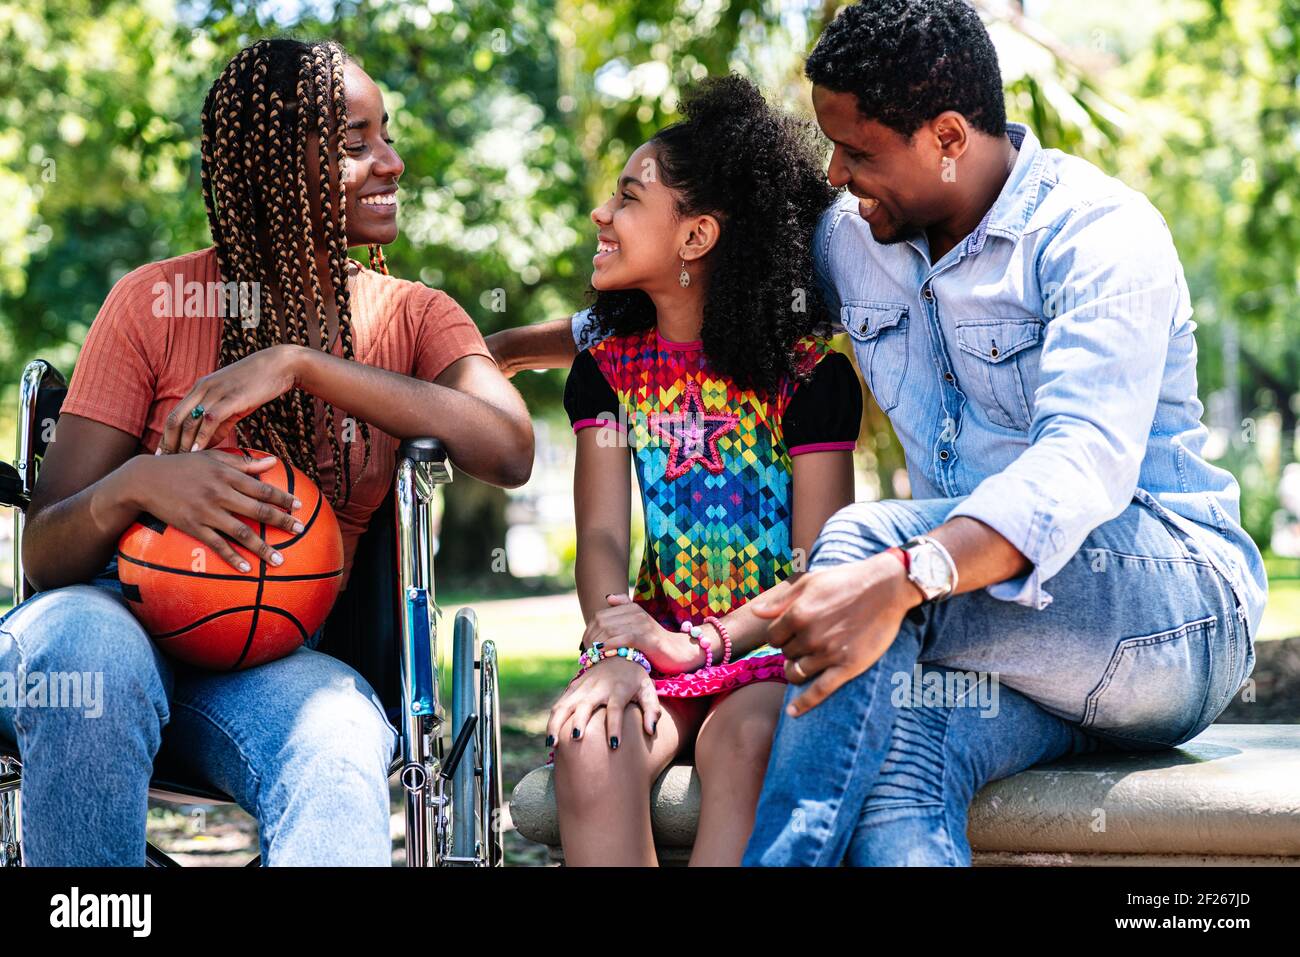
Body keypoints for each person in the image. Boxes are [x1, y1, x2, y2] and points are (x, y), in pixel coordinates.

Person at [489, 0, 1266, 866]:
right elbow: (701, 298)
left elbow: (1078, 465)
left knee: (858, 541)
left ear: (945, 137)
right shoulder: (860, 241)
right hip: (1004, 646)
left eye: (858, 151)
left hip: (1166, 624)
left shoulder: (1098, 236)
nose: (834, 172)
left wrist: (909, 571)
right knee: (894, 769)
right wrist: (510, 351)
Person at [0, 37, 533, 866]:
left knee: (338, 736)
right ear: (278, 169)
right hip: (113, 621)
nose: (391, 162)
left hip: (271, 660)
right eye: (356, 145)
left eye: (385, 134)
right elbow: (45, 554)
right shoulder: (153, 303)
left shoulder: (414, 316)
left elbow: (508, 446)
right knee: (91, 661)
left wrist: (302, 366)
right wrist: (141, 485)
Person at [543, 75, 861, 866]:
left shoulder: (808, 381)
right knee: (591, 737)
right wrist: (616, 646)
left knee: (749, 739)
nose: (601, 215)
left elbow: (815, 571)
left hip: (770, 646)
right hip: (655, 633)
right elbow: (605, 539)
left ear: (696, 237)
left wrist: (710, 642)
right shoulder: (607, 373)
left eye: (628, 199)